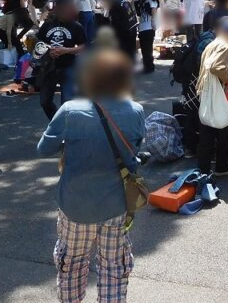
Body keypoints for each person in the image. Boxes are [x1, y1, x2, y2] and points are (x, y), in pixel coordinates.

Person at [37, 49, 145, 303]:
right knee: (113, 268)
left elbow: (44, 149)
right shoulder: (135, 110)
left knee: (72, 264)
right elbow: (135, 150)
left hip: (75, 204)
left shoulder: (70, 110)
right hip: (116, 203)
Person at [195, 17, 228, 176]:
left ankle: (203, 169)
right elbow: (217, 67)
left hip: (206, 91)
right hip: (219, 93)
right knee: (223, 129)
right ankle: (222, 166)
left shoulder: (211, 44)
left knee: (206, 132)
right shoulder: (225, 47)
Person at [36, 0, 88, 119]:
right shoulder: (48, 24)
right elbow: (38, 42)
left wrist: (66, 50)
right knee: (44, 101)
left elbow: (84, 46)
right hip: (49, 66)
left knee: (67, 102)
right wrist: (47, 50)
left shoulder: (76, 26)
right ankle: (57, 122)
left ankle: (66, 126)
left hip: (68, 66)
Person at [133, 0, 158, 74]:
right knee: (144, 47)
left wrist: (154, 22)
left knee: (147, 47)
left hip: (149, 26)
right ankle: (146, 66)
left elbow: (154, 9)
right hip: (143, 25)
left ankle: (149, 67)